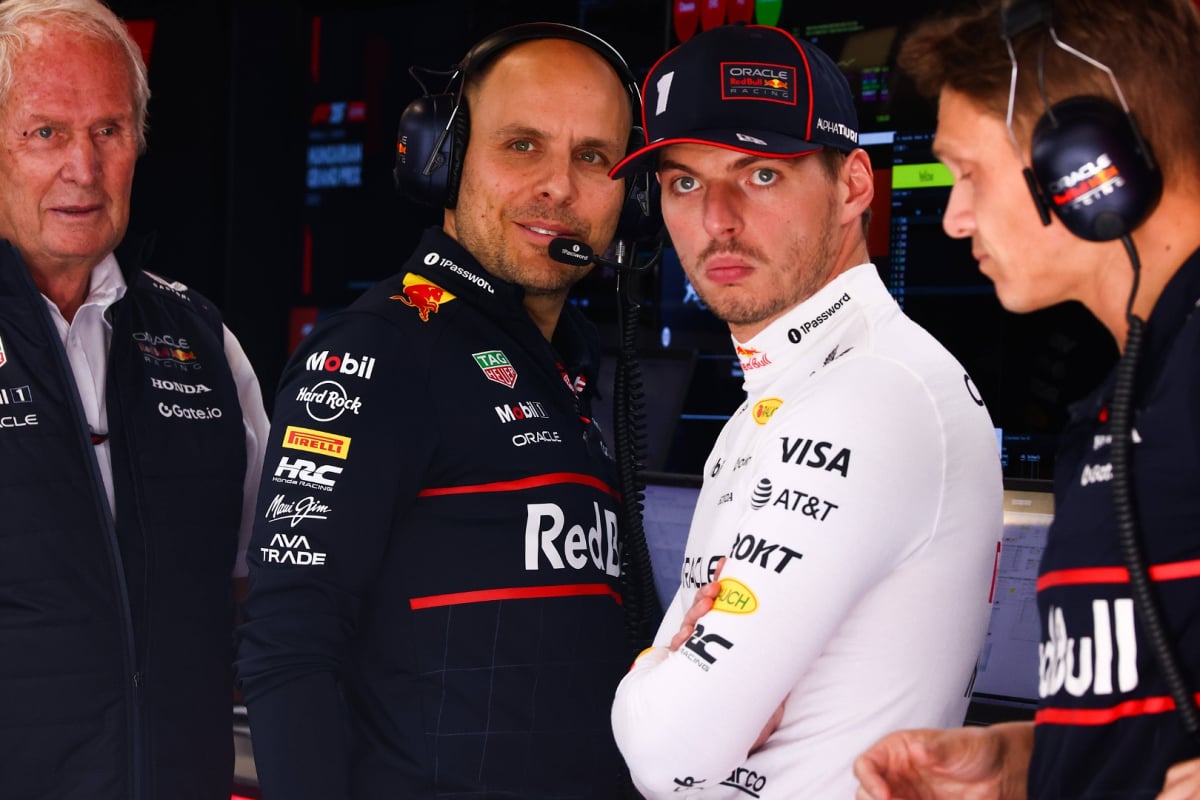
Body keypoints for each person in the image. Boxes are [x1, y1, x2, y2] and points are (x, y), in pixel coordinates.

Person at [235, 22, 654, 800]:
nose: (559, 187)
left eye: (593, 156)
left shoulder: (573, 362)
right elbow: (288, 647)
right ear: (444, 160)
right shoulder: (381, 349)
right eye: (522, 145)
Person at [605, 22, 1004, 800]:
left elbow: (666, 753)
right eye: (684, 182)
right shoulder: (797, 393)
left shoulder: (873, 390)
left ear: (855, 185)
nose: (716, 218)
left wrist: (651, 673)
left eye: (759, 175)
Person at [852, 1, 1200, 799]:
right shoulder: (1123, 399)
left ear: (1088, 163)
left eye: (967, 172)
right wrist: (1021, 762)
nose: (953, 216)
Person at [0, 0, 271, 798]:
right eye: (44, 131)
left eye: (108, 131)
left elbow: (260, 589)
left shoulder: (204, 341)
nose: (82, 168)